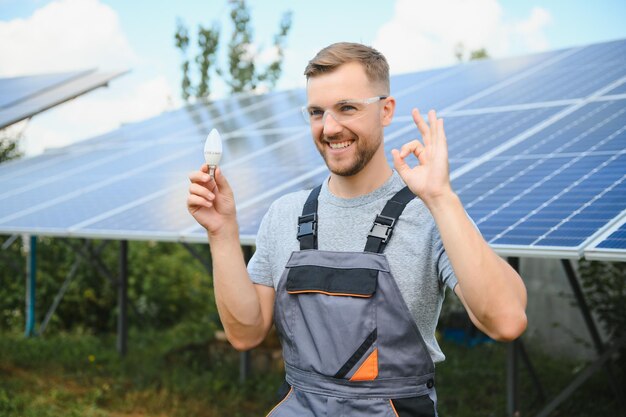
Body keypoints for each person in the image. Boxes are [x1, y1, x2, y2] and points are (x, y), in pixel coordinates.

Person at [187, 42, 527, 416]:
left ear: (385, 111)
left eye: (347, 107)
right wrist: (221, 232)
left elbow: (506, 320)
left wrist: (443, 198)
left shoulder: (429, 215)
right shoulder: (285, 214)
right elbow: (245, 333)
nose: (330, 128)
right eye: (317, 112)